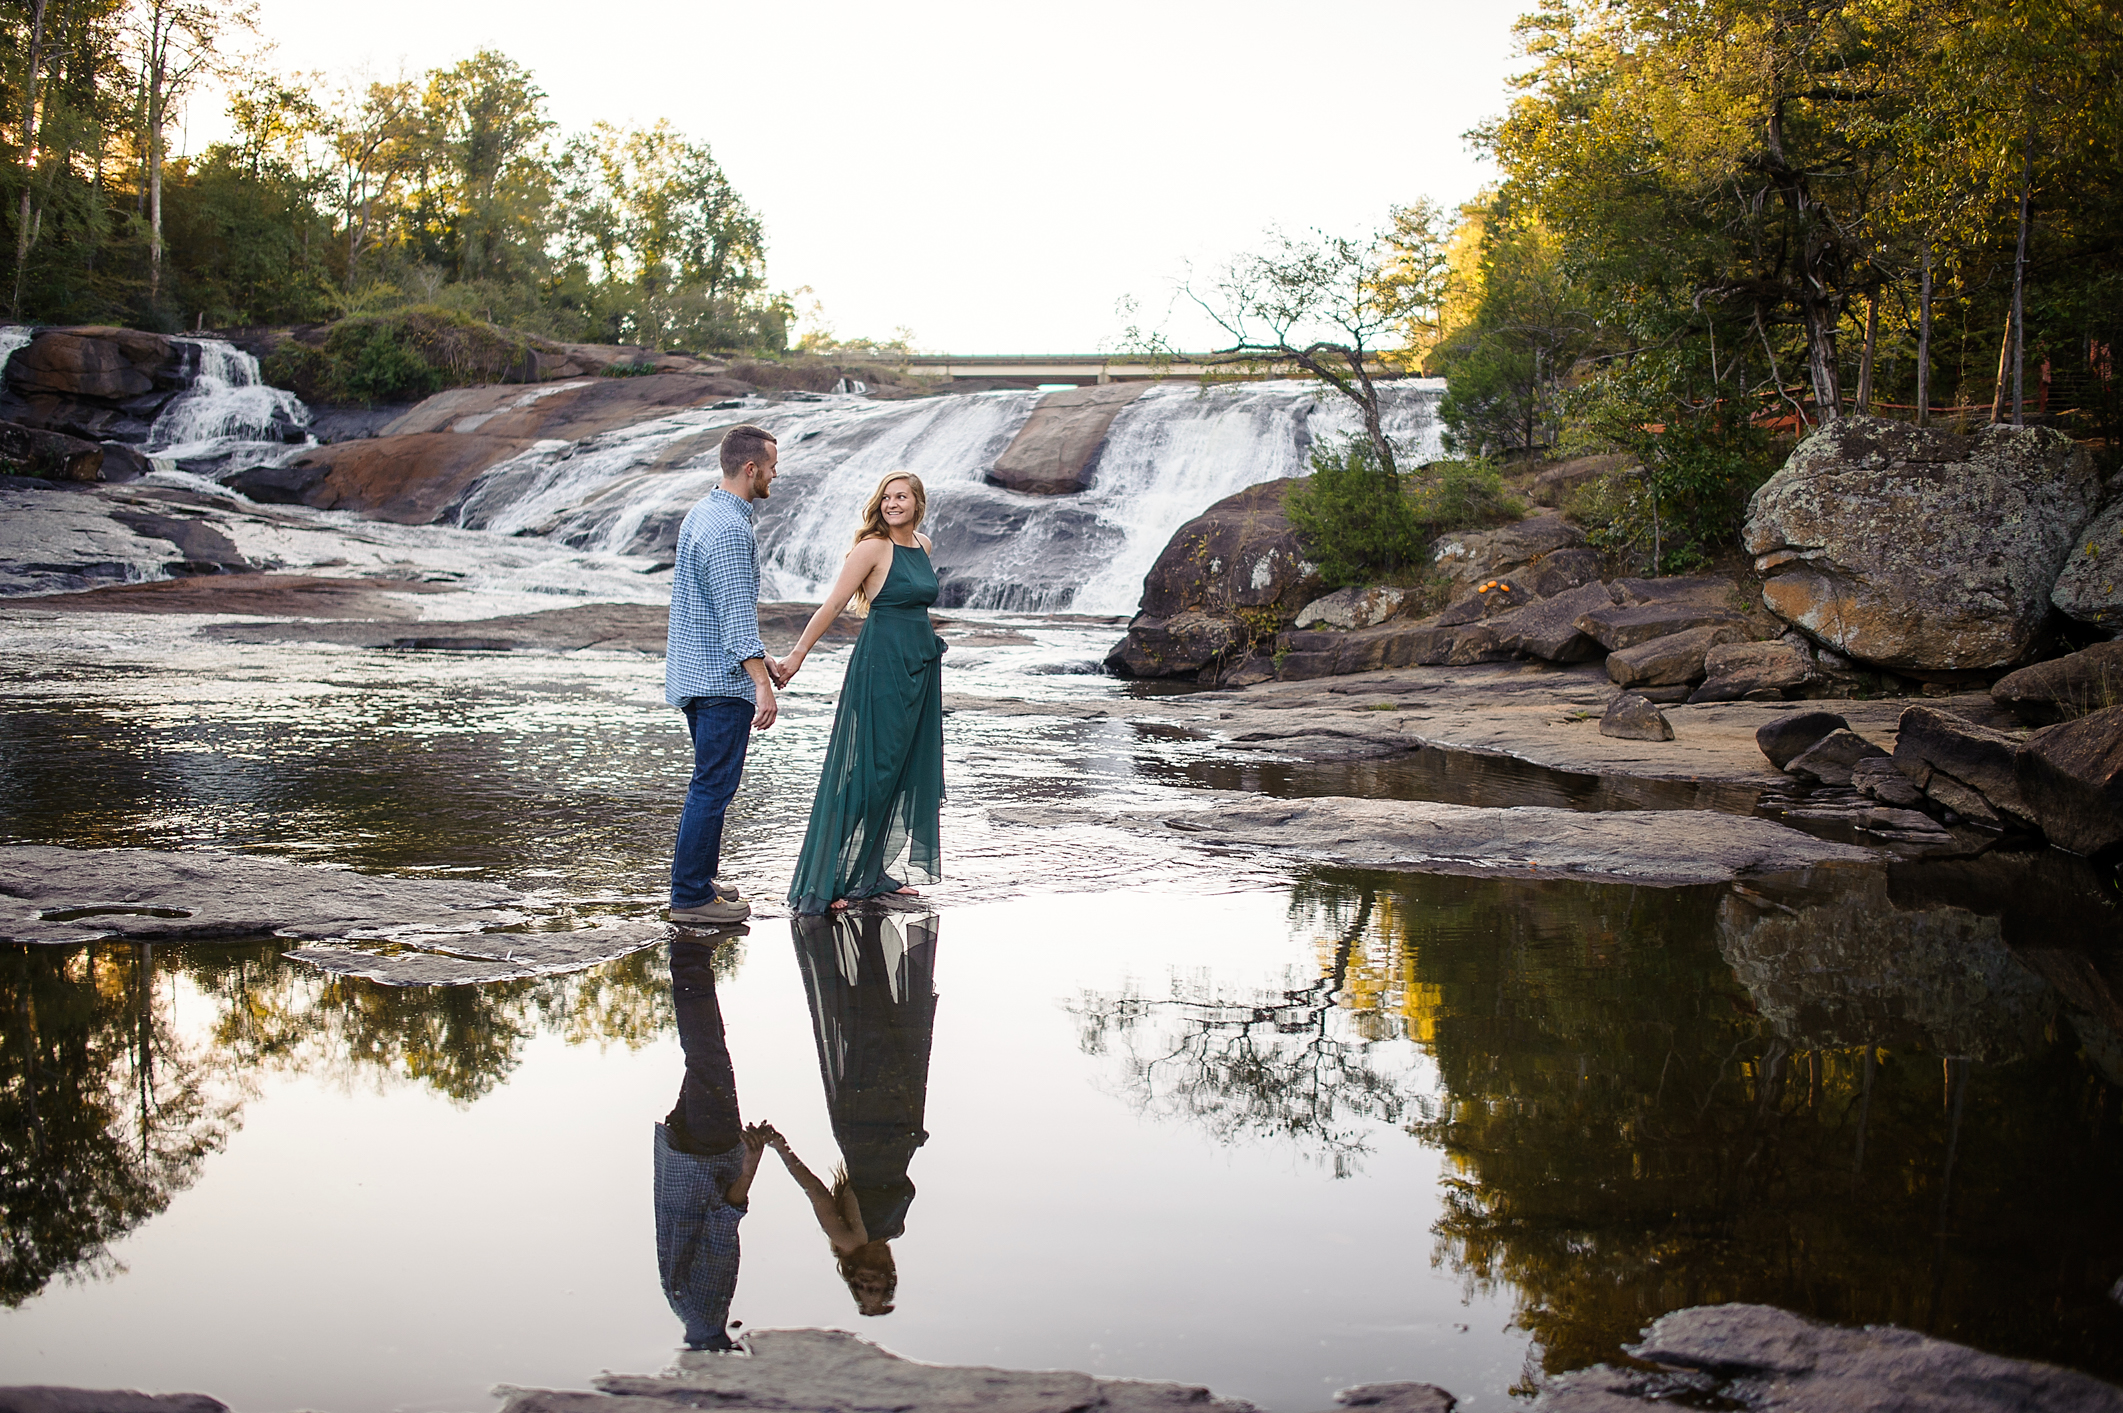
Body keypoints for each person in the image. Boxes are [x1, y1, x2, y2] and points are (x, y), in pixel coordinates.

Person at [775, 472, 945, 915]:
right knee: (870, 771)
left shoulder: (923, 546)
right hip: (881, 666)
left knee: (899, 769)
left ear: (917, 503)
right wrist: (797, 656)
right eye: (886, 497)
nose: (892, 504)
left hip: (920, 667)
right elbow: (832, 605)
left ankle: (871, 874)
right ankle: (824, 878)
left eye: (901, 497)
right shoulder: (872, 548)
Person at [768, 909, 941, 1316]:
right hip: (900, 1115)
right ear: (889, 1277)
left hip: (866, 1119)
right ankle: (864, 927)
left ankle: (849, 931)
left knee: (865, 1025)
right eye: (875, 1286)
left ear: (850, 1276)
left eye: (861, 1286)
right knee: (892, 1021)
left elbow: (816, 1192)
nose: (868, 1280)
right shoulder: (892, 1230)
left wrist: (780, 1147)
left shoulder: (846, 1241)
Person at [665, 424, 783, 926]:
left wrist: (762, 657)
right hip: (720, 684)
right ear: (751, 468)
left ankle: (700, 878)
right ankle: (691, 896)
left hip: (697, 674)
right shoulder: (730, 529)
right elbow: (735, 616)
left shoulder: (704, 512)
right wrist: (760, 682)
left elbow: (719, 611)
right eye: (773, 466)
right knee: (713, 787)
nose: (776, 475)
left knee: (708, 785)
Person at [654, 928, 773, 1351]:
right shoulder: (682, 1308)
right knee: (704, 1055)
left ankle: (690, 954)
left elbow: (720, 1228)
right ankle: (690, 958)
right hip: (683, 1160)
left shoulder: (706, 1310)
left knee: (707, 1054)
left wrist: (749, 1167)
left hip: (708, 1157)